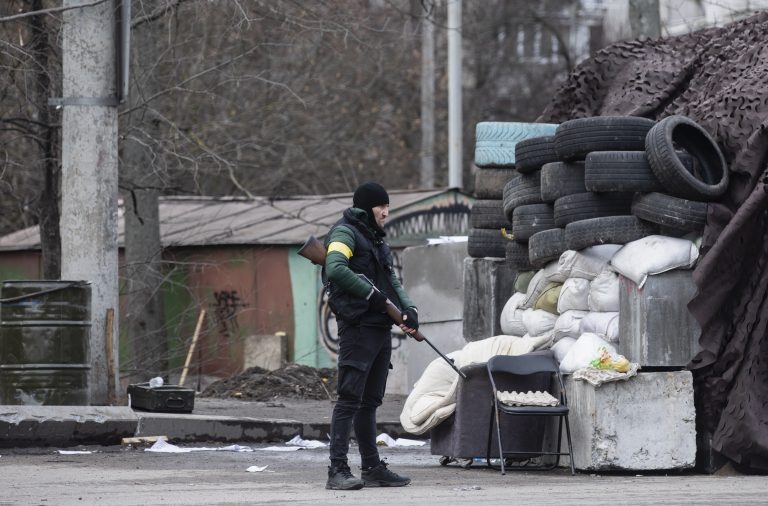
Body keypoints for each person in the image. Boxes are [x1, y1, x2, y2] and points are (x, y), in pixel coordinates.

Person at [323, 181, 420, 490]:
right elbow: (335, 268)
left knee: (370, 402)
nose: (386, 212)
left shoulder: (376, 240)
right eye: (382, 206)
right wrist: (372, 296)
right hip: (357, 327)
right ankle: (337, 470)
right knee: (349, 398)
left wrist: (408, 309)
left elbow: (391, 278)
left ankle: (372, 467)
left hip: (379, 329)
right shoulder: (345, 233)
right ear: (368, 207)